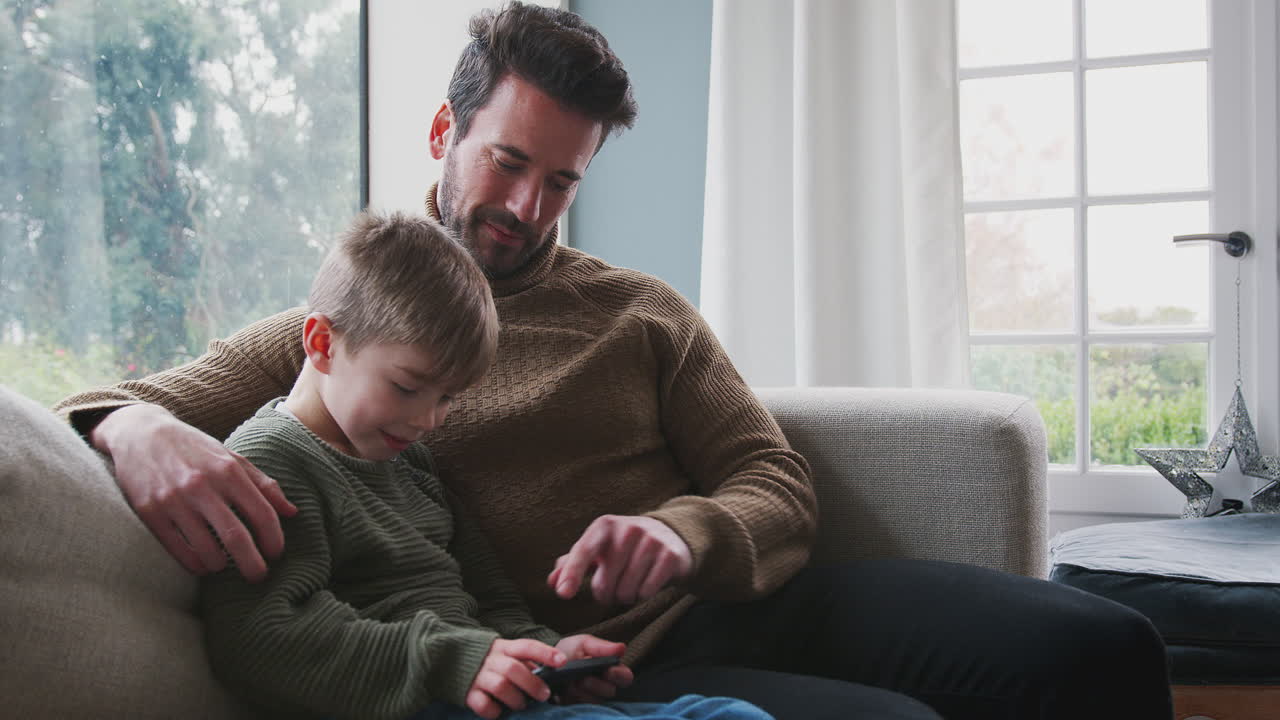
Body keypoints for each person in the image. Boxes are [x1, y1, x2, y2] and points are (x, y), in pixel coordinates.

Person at [55, 3, 1173, 719]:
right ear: (444, 138)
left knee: (1102, 648)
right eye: (508, 163)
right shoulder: (352, 327)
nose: (526, 206)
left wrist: (678, 532)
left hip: (759, 600)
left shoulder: (636, 311)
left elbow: (773, 483)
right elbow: (103, 406)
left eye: (561, 180)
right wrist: (136, 426)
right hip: (613, 665)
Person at [201, 209, 771, 720]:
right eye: (407, 387)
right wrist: (459, 661)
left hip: (492, 695)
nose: (428, 420)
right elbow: (256, 636)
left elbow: (490, 598)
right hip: (420, 701)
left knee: (729, 713)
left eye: (447, 398)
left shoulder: (411, 463)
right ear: (322, 343)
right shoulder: (271, 459)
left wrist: (547, 653)